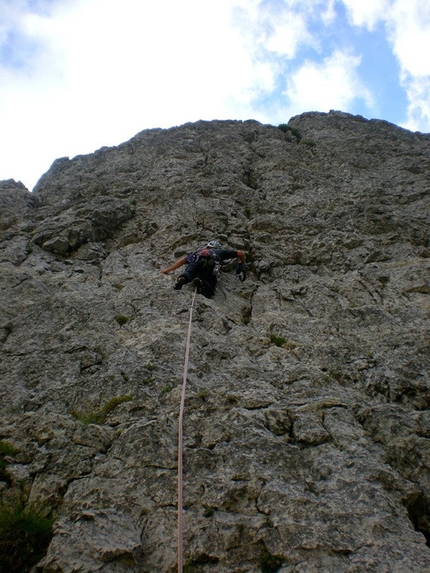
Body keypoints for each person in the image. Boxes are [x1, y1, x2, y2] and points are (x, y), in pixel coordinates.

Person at [161, 240, 247, 298]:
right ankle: (203, 286)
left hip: (196, 264)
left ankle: (183, 278)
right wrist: (242, 263)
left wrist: (167, 270)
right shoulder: (221, 252)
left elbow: (181, 261)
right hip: (209, 269)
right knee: (210, 288)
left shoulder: (198, 252)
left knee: (190, 271)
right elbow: (241, 253)